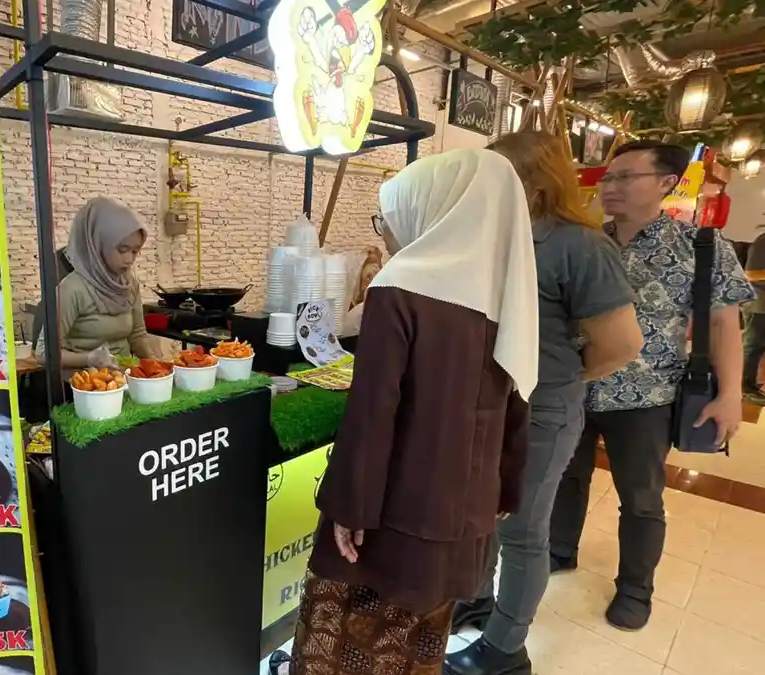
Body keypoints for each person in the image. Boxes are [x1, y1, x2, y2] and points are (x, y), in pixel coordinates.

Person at [284, 148, 538, 675]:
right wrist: (504, 492)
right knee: (418, 645)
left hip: (392, 515)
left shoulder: (401, 288)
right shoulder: (506, 291)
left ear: (433, 211)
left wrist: (350, 509)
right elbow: (517, 401)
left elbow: (372, 413)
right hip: (466, 514)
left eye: (387, 218)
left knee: (344, 640)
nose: (385, 233)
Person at [445, 132, 641, 675]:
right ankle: (480, 598)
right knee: (482, 516)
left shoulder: (580, 246)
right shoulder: (495, 239)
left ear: (531, 185)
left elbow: (623, 344)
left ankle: (504, 650)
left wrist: (558, 380)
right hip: (488, 407)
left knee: (523, 530)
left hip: (541, 411)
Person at [549, 140, 754, 631]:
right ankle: (559, 550)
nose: (610, 186)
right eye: (608, 177)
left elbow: (727, 325)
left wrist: (730, 397)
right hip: (576, 389)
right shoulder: (586, 241)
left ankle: (636, 589)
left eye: (626, 177)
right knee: (563, 479)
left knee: (641, 498)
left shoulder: (700, 247)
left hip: (647, 396)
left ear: (666, 183)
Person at [36, 196, 156, 371]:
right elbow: (43, 354)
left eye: (135, 251)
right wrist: (90, 358)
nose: (129, 259)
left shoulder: (129, 285)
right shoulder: (72, 289)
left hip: (124, 380)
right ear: (98, 245)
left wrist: (157, 366)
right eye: (122, 250)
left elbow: (137, 336)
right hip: (84, 386)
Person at [742, 227, 765, 400]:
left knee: (757, 347)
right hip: (758, 303)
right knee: (752, 346)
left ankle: (750, 384)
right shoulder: (762, 242)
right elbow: (750, 274)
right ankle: (744, 388)